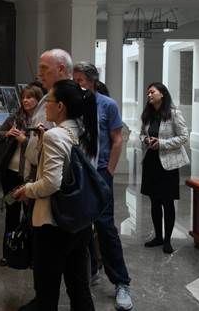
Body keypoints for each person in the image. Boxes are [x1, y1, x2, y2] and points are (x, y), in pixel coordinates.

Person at [13, 80, 98, 311]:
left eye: (48, 101)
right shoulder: (83, 131)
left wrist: (26, 190)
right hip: (79, 220)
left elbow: (51, 183)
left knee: (47, 294)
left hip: (53, 224)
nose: (45, 106)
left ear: (60, 106)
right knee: (79, 288)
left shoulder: (55, 135)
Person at [73, 62, 133, 311]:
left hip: (100, 173)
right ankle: (91, 269)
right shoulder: (74, 104)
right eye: (74, 80)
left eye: (80, 80)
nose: (77, 85)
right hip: (79, 173)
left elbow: (117, 139)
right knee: (81, 225)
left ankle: (121, 282)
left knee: (105, 226)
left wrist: (109, 170)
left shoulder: (108, 105)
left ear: (92, 81)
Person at [0, 85, 43, 266]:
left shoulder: (41, 121)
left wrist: (25, 140)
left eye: (30, 97)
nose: (26, 100)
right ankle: (8, 253)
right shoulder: (15, 118)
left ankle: (30, 254)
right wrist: (7, 133)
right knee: (11, 213)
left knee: (31, 215)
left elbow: (42, 148)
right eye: (24, 97)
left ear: (38, 99)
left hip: (31, 176)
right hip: (10, 174)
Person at [140, 82, 189, 254]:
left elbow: (184, 137)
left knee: (167, 202)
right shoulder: (148, 115)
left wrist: (162, 143)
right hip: (151, 162)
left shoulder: (174, 114)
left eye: (152, 92)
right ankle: (158, 237)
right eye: (148, 93)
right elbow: (142, 134)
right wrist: (146, 140)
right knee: (154, 201)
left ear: (162, 94)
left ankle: (167, 240)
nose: (149, 95)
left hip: (168, 165)